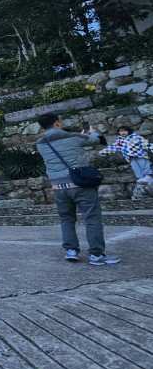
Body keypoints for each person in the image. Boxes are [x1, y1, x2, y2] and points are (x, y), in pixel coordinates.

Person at [36, 113, 120, 265]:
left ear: (42, 127)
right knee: (92, 218)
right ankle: (96, 254)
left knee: (66, 219)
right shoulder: (72, 137)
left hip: (58, 187)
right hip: (79, 184)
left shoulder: (41, 143)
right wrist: (92, 132)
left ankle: (71, 250)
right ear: (57, 123)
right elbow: (97, 141)